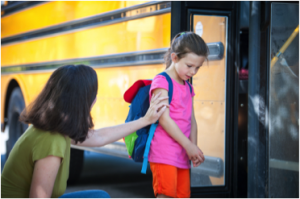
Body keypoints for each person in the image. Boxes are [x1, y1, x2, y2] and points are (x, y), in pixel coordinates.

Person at [0, 64, 168, 199]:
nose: (95, 99)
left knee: (99, 196)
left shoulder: (56, 127)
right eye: (93, 95)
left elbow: (100, 136)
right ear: (82, 102)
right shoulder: (52, 141)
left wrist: (145, 120)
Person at [148, 32, 208, 199]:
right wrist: (189, 146)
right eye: (189, 66)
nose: (194, 71)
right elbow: (164, 119)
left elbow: (192, 120)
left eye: (198, 67)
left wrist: (193, 148)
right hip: (164, 153)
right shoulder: (162, 81)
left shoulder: (188, 87)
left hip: (183, 154)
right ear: (174, 58)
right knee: (166, 195)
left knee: (183, 195)